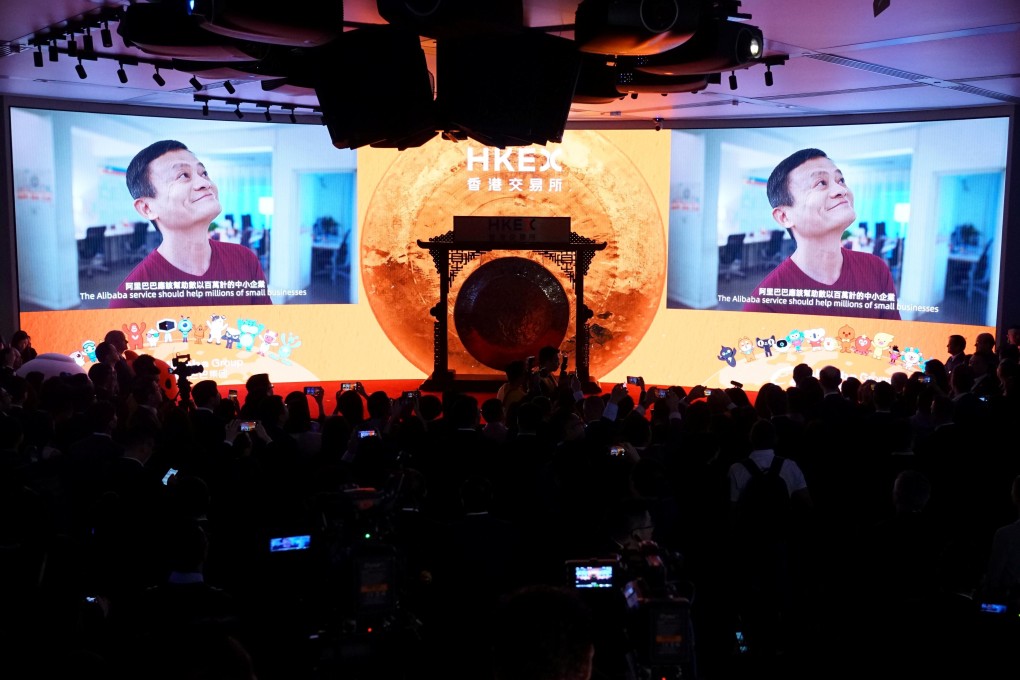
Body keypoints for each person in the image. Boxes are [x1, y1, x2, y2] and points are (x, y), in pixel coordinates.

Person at [741, 148, 901, 319]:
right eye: (821, 183)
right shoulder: (763, 306)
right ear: (784, 216)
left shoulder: (876, 270)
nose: (841, 190)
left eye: (841, 180)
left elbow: (893, 342)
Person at [110, 140, 270, 308]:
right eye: (183, 175)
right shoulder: (131, 300)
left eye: (204, 173)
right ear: (147, 208)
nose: (205, 183)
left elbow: (268, 330)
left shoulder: (245, 259)